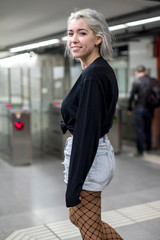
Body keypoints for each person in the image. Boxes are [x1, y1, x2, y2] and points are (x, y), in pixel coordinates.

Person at [60, 8, 123, 240]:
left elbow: (87, 134)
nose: (74, 39)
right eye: (70, 33)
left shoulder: (93, 76)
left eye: (82, 33)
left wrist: (73, 186)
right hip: (95, 154)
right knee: (81, 218)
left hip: (90, 156)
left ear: (98, 38)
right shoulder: (95, 70)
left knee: (88, 227)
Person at [128, 65, 153, 156]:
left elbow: (131, 96)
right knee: (148, 129)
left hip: (139, 109)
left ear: (136, 72)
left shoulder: (136, 81)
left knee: (139, 130)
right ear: (145, 71)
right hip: (150, 109)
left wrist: (129, 108)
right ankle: (148, 148)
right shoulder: (151, 81)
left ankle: (140, 151)